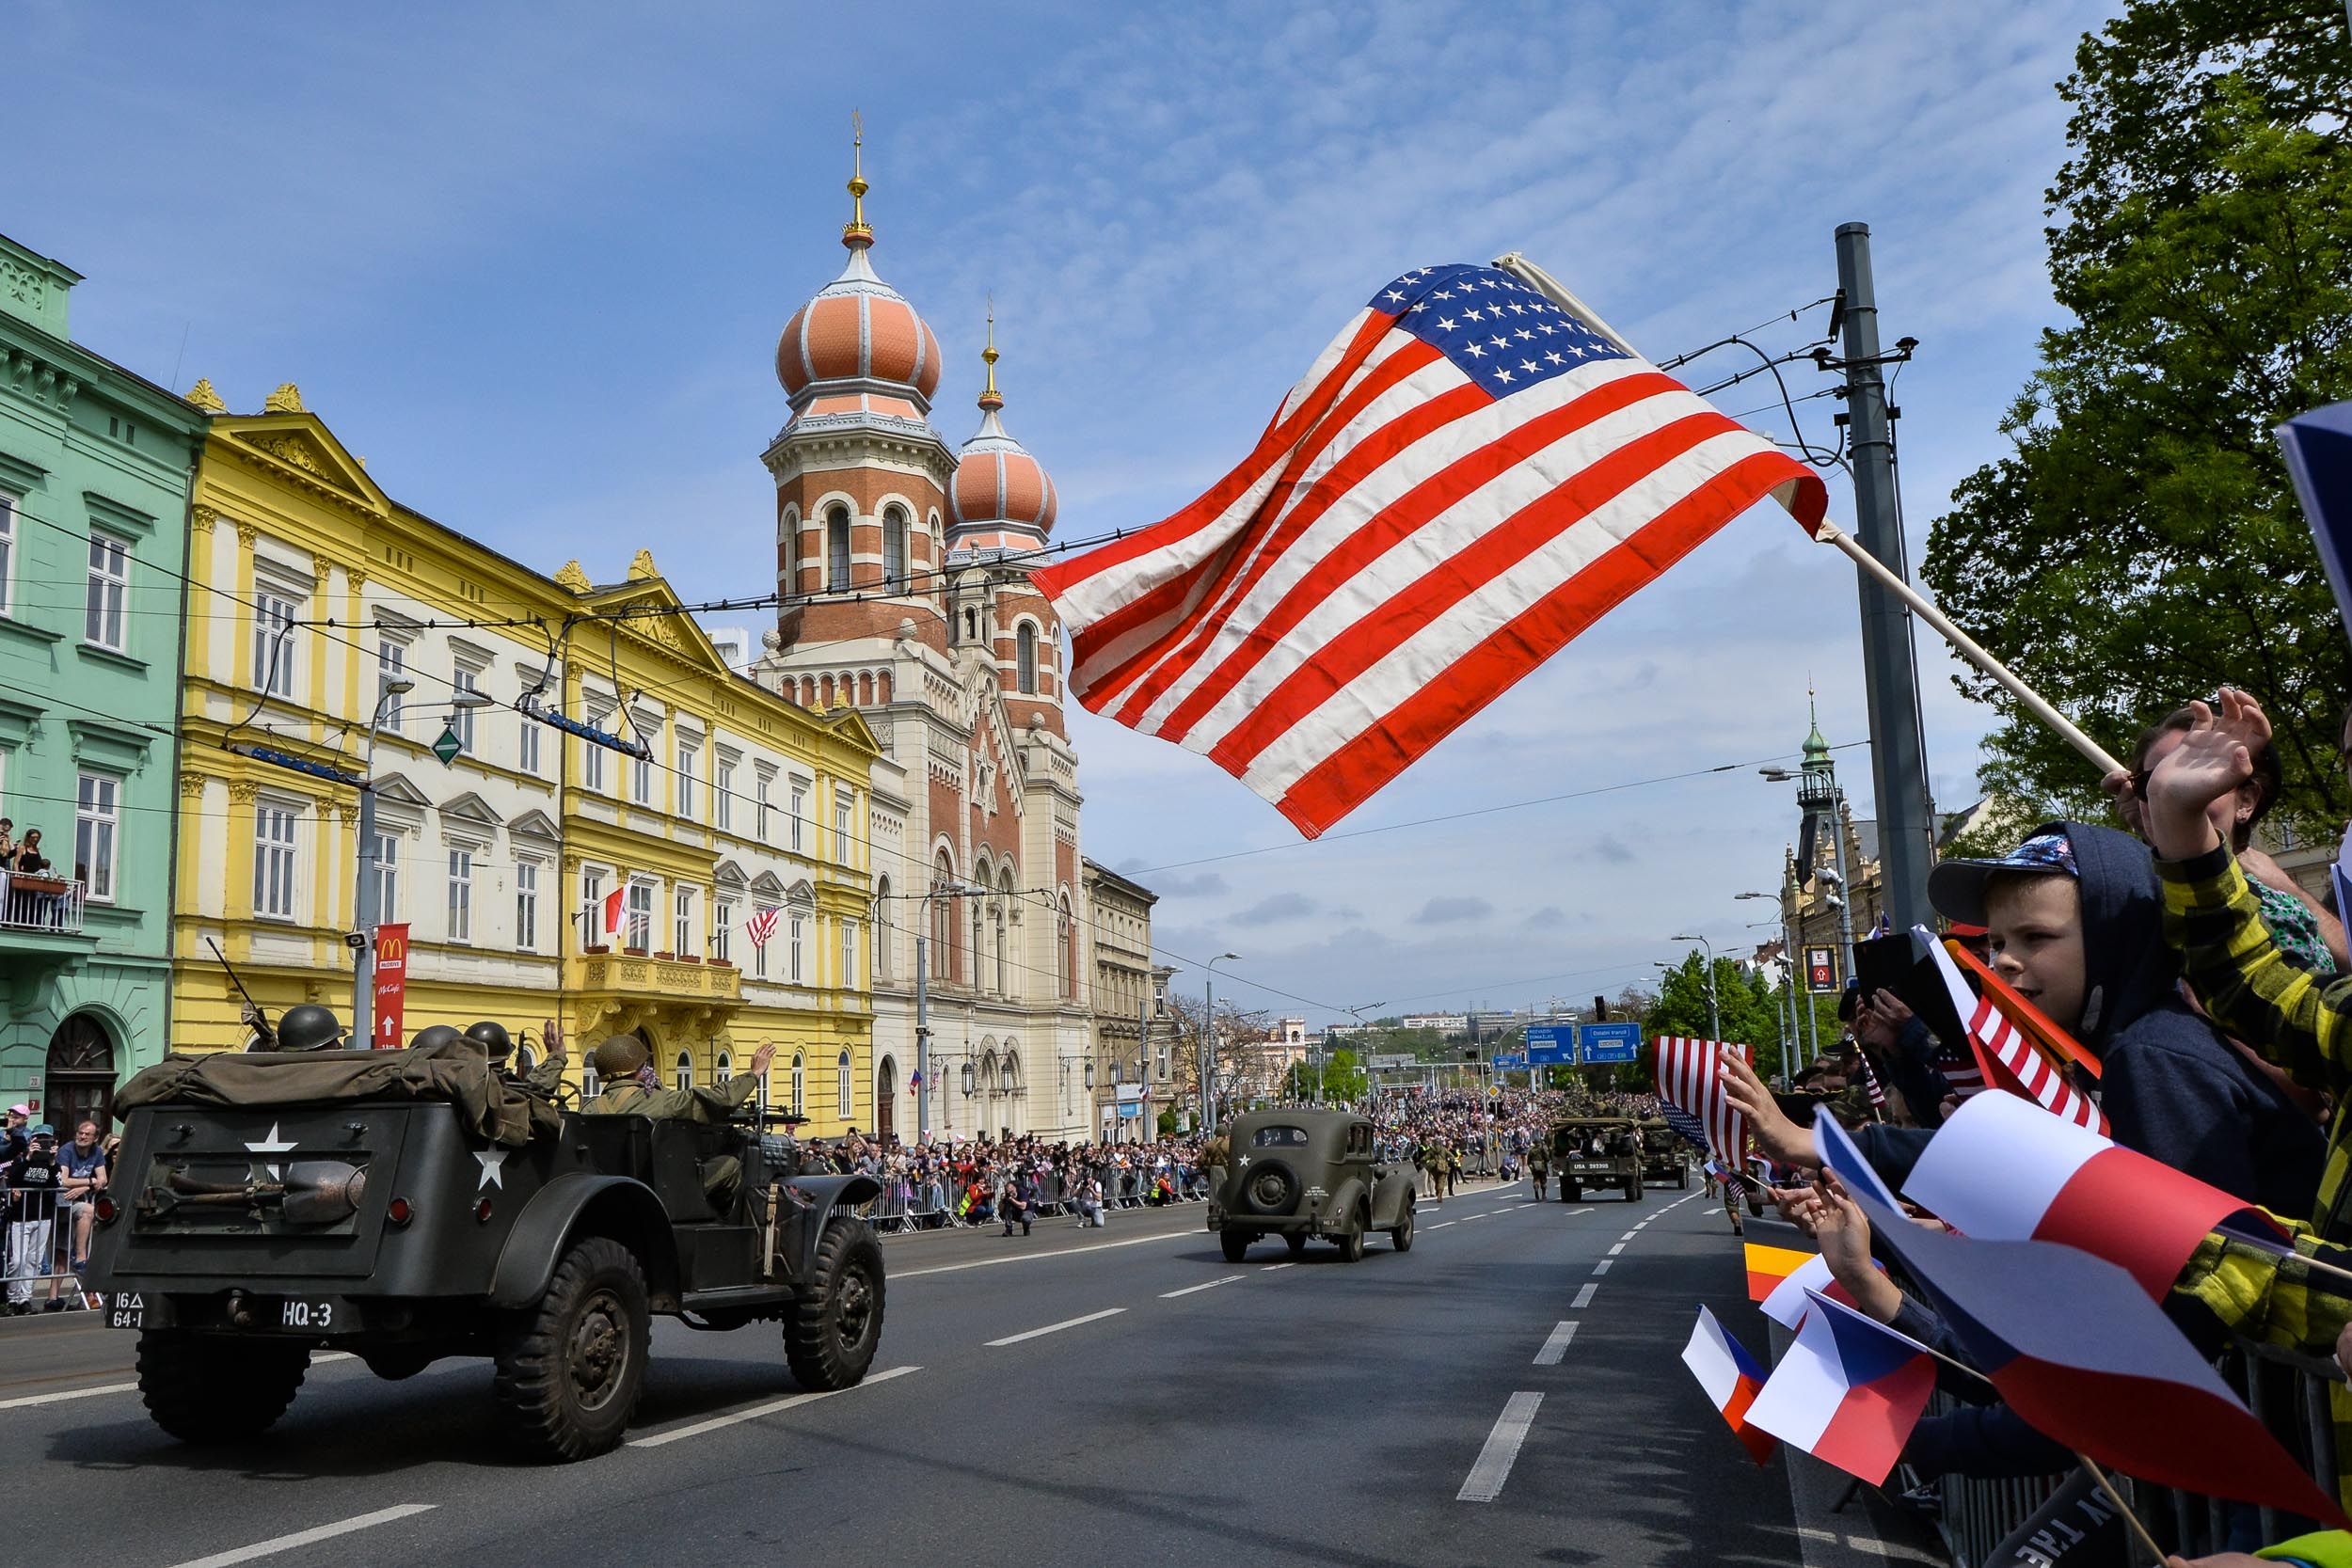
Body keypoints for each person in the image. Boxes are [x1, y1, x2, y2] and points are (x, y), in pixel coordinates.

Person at [584, 1033, 778, 1209]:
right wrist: (754, 1074)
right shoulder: (660, 1101)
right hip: (662, 1194)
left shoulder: (589, 1109)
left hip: (608, 1193)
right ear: (640, 1070)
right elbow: (720, 1101)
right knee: (731, 1165)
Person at [5, 1126, 62, 1313]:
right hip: (20, 1218)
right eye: (38, 1140)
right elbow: (13, 1180)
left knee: (33, 1261)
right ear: (32, 1141)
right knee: (17, 1261)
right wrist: (29, 1157)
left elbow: (57, 1184)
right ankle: (13, 1298)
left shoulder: (52, 1164)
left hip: (43, 1217)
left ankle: (25, 1298)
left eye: (47, 1141)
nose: (42, 1144)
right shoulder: (20, 1159)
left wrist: (53, 1161)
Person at [56, 1120, 105, 1289]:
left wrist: (84, 1186)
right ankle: (53, 1297)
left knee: (88, 1210)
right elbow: (63, 1180)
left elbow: (103, 1179)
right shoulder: (66, 1150)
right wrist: (90, 1181)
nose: (82, 1136)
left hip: (79, 1202)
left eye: (87, 1134)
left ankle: (80, 1258)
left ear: (95, 1138)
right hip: (62, 1202)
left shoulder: (96, 1151)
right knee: (60, 1253)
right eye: (80, 1132)